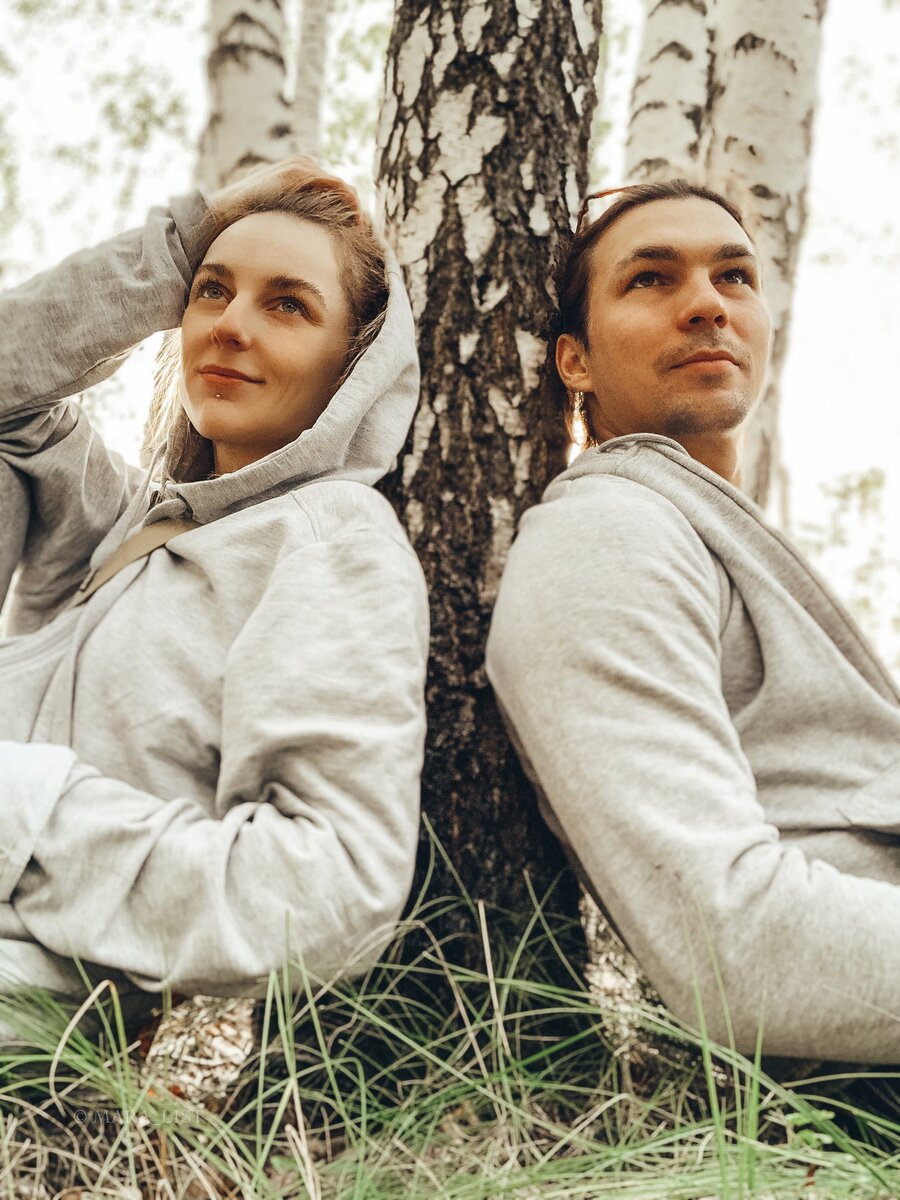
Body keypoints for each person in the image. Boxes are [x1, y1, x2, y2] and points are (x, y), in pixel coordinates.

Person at [0, 158, 428, 1026]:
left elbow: (334, 889)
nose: (230, 325)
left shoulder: (333, 542)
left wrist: (26, 809)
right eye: (212, 291)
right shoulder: (121, 519)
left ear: (354, 363)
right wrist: (174, 248)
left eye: (287, 305)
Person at [486, 179, 900, 1064]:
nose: (708, 304)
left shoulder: (710, 533)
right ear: (575, 361)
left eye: (734, 276)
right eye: (651, 278)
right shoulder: (606, 533)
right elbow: (730, 946)